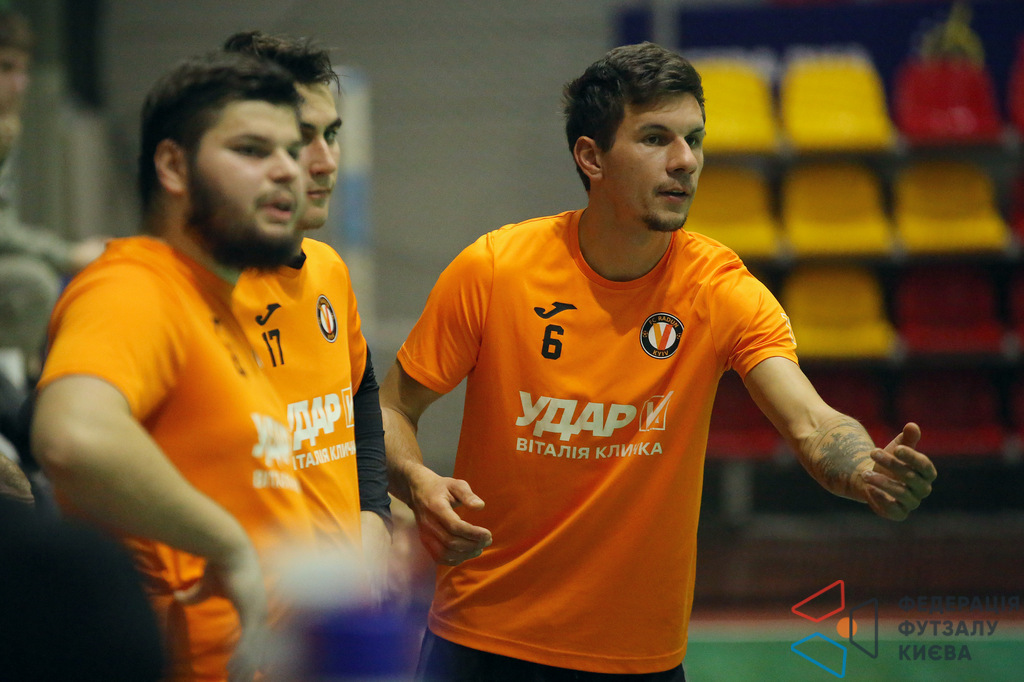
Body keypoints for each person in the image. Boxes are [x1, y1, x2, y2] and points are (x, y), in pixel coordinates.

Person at [380, 42, 938, 680]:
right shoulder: (494, 270)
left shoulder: (719, 289)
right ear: (591, 157)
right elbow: (392, 408)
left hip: (636, 658)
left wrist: (862, 465)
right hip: (478, 640)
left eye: (693, 139)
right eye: (655, 138)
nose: (685, 161)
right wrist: (417, 483)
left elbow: (811, 421)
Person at [31, 51, 315, 681]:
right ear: (173, 167)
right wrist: (228, 545)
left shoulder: (209, 301)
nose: (287, 170)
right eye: (251, 149)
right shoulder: (133, 286)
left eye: (292, 152)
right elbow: (73, 434)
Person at [225, 30, 392, 600]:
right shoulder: (195, 292)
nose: (326, 161)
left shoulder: (328, 269)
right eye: (302, 139)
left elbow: (359, 391)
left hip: (338, 610)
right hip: (249, 623)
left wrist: (374, 514)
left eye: (332, 135)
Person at [0, 8, 105, 385]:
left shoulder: (7, 129)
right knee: (30, 283)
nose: (19, 84)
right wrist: (67, 254)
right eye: (5, 68)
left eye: (24, 70)